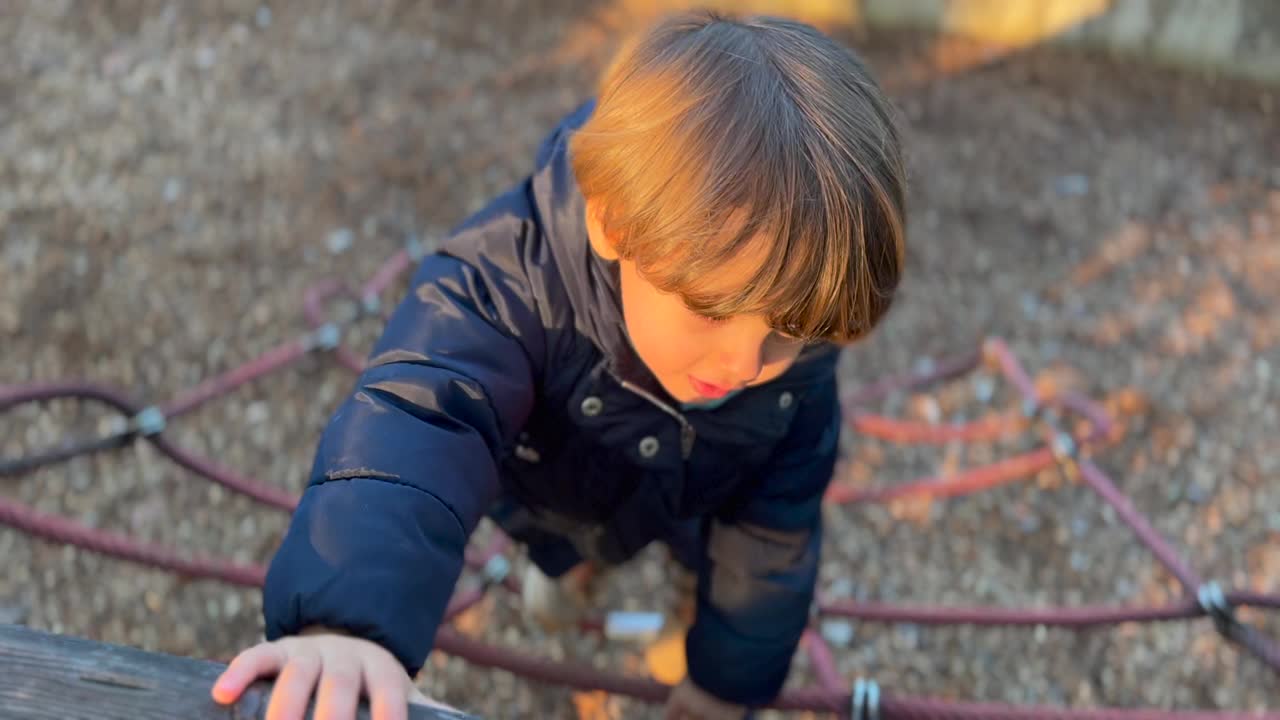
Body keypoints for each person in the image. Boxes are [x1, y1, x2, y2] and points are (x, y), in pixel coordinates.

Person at [211, 9, 905, 719]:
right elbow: (416, 424)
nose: (746, 361)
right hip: (552, 484)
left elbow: (770, 540)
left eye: (789, 329)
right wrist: (347, 622)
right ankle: (573, 569)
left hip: (690, 492)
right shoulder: (504, 286)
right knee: (563, 542)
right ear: (610, 222)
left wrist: (725, 690)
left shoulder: (793, 375)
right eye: (713, 309)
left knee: (716, 551)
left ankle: (683, 600)